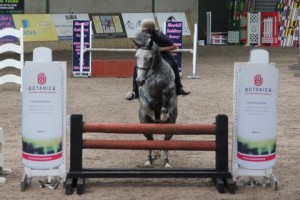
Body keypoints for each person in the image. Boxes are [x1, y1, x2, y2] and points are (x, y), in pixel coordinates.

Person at [125, 18, 190, 101]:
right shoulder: (141, 35)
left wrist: (161, 49)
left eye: (144, 30)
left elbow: (174, 46)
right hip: (148, 55)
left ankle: (179, 88)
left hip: (162, 54)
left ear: (150, 30)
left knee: (174, 64)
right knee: (136, 67)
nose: (142, 32)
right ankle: (134, 92)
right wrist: (138, 47)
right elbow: (136, 46)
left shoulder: (160, 35)